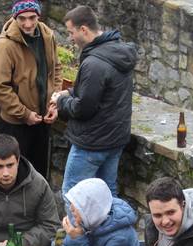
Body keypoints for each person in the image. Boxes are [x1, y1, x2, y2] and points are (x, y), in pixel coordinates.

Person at [50, 5, 136, 198]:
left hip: (92, 143)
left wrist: (61, 102)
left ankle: (75, 230)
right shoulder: (117, 52)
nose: (70, 38)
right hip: (115, 138)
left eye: (71, 32)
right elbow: (99, 92)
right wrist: (67, 93)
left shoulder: (94, 62)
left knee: (73, 194)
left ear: (83, 30)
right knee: (107, 194)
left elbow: (83, 109)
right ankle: (109, 229)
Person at [0, 0, 61, 179]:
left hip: (42, 120)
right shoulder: (5, 45)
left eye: (32, 17)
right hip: (16, 124)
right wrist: (24, 114)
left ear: (39, 15)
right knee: (14, 176)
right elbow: (1, 87)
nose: (28, 24)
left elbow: (56, 70)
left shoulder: (48, 36)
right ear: (15, 17)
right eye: (22, 18)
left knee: (39, 175)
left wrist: (54, 102)